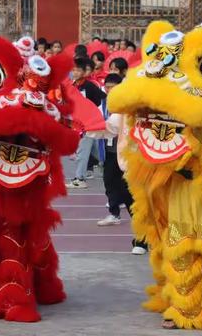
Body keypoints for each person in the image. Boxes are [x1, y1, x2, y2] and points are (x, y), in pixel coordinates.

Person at [96, 73, 147, 255]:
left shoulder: (156, 109)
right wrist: (87, 125)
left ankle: (149, 237)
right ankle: (142, 238)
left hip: (153, 163)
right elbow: (109, 127)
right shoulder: (123, 112)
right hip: (128, 162)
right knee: (130, 198)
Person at [66, 58, 106, 189]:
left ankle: (79, 178)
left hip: (88, 124)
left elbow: (101, 99)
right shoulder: (72, 85)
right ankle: (107, 165)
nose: (75, 72)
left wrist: (90, 111)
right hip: (77, 123)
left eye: (78, 70)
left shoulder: (89, 86)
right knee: (96, 152)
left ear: (84, 72)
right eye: (73, 70)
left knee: (82, 152)